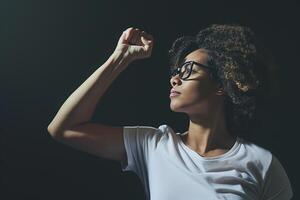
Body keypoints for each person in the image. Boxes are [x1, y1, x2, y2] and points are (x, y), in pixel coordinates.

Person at [47, 24, 293, 200]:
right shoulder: (152, 144)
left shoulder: (262, 164)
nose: (175, 79)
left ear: (221, 85)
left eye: (188, 70)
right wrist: (119, 59)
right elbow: (63, 128)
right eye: (176, 71)